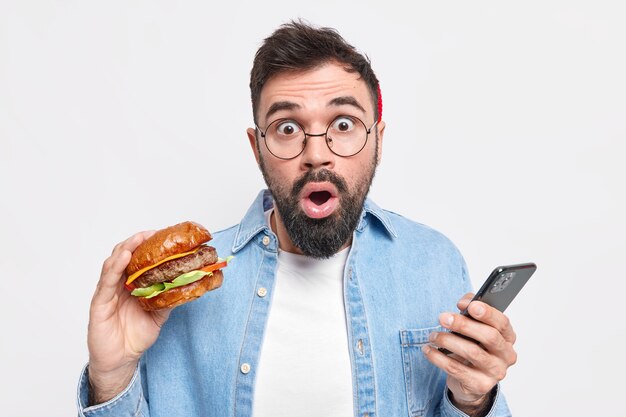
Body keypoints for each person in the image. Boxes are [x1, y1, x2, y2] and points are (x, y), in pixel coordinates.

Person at [78, 20, 517, 417]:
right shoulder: (184, 295)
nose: (317, 154)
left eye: (343, 124)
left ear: (377, 140)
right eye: (287, 128)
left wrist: (473, 401)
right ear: (258, 148)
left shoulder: (434, 262)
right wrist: (111, 378)